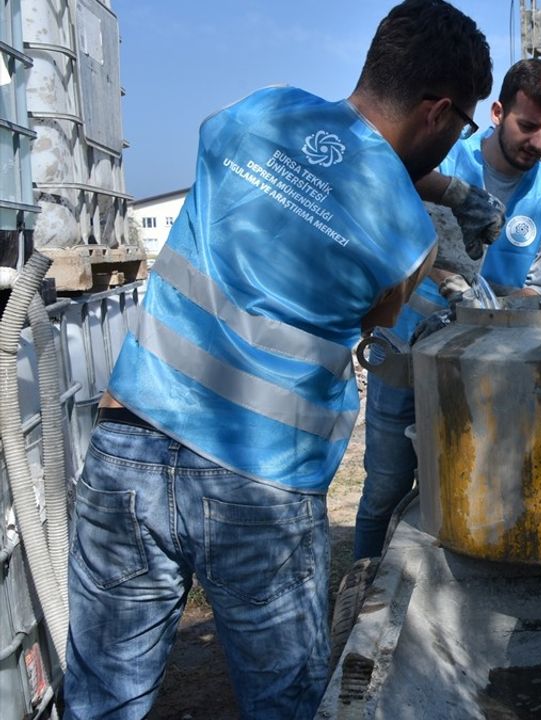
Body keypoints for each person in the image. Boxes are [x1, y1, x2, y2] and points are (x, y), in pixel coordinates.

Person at [63, 3, 492, 718]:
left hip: (129, 444)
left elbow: (322, 154)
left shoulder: (261, 112)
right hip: (259, 485)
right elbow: (375, 319)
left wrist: (439, 185)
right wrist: (449, 201)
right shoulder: (409, 239)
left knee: (100, 702)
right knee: (284, 706)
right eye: (462, 126)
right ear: (439, 113)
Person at [352, 58, 541, 561]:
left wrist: (482, 299)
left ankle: (447, 588)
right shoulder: (447, 156)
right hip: (404, 351)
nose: (538, 143)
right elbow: (389, 232)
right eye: (528, 125)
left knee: (477, 483)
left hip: (487, 372)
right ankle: (362, 585)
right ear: (497, 112)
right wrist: (442, 272)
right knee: (385, 487)